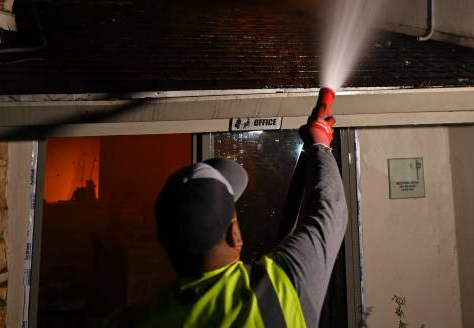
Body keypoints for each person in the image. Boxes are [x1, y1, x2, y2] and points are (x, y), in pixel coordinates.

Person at [106, 93, 347, 327]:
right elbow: (330, 209)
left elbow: (329, 212)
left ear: (166, 244)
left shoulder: (129, 321)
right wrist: (320, 143)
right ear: (235, 235)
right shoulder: (281, 286)